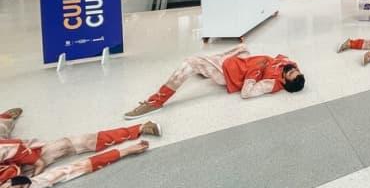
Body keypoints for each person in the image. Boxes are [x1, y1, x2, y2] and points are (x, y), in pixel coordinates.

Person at [0, 108, 158, 188]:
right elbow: (69, 170)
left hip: (8, 154)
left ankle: (5, 118)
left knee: (2, 129)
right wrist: (123, 152)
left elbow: (6, 147)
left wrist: (36, 161)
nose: (22, 187)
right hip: (13, 171)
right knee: (65, 145)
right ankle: (140, 127)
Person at [123, 44, 305, 119]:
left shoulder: (271, 84)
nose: (293, 70)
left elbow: (247, 93)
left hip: (228, 73)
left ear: (286, 82)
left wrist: (254, 73)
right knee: (243, 47)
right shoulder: (288, 65)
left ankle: (156, 101)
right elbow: (284, 57)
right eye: (296, 71)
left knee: (190, 63)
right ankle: (206, 67)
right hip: (238, 61)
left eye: (292, 74)